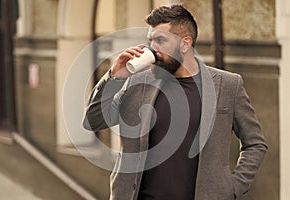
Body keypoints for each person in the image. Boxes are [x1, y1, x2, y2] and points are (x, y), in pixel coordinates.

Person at [83, 4, 267, 200]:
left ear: (185, 44)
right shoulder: (137, 82)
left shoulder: (228, 85)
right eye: (150, 40)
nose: (152, 48)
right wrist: (114, 77)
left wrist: (233, 187)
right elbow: (93, 121)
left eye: (160, 40)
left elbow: (255, 144)